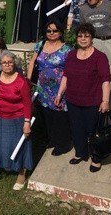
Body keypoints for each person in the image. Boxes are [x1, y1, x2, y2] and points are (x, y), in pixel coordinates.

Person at [55, 23, 111, 173]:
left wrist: (105, 101)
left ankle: (96, 158)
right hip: (73, 100)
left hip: (92, 102)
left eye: (86, 36)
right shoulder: (71, 55)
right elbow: (66, 76)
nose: (83, 38)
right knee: (77, 129)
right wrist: (60, 94)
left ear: (92, 38)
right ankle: (80, 153)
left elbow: (106, 80)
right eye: (80, 36)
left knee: (92, 131)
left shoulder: (100, 57)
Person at [0, 50, 32, 189]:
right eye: (4, 62)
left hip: (17, 118)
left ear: (14, 63)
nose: (7, 65)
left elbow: (27, 103)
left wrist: (27, 123)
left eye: (10, 62)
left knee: (19, 145)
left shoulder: (21, 81)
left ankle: (21, 173)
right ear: (0, 64)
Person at [27, 21, 72, 156]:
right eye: (49, 30)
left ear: (61, 32)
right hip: (42, 88)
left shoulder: (67, 49)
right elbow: (32, 62)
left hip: (59, 88)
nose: (52, 33)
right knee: (46, 115)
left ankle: (63, 144)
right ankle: (51, 139)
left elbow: (69, 72)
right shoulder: (40, 45)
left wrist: (60, 93)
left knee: (59, 116)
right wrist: (28, 80)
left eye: (55, 30)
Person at [80, 0, 111, 111]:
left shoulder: (110, 5)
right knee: (93, 74)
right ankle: (96, 102)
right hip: (94, 42)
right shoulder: (83, 9)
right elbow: (83, 29)